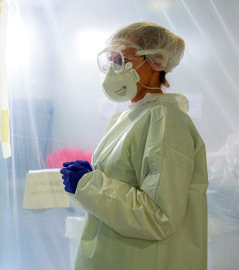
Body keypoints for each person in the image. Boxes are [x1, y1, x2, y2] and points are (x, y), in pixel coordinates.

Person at [60, 22, 208, 270]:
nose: (112, 70)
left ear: (157, 61)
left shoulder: (164, 120)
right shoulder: (132, 117)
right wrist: (91, 179)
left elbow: (160, 216)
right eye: (110, 61)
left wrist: (89, 184)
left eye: (121, 60)